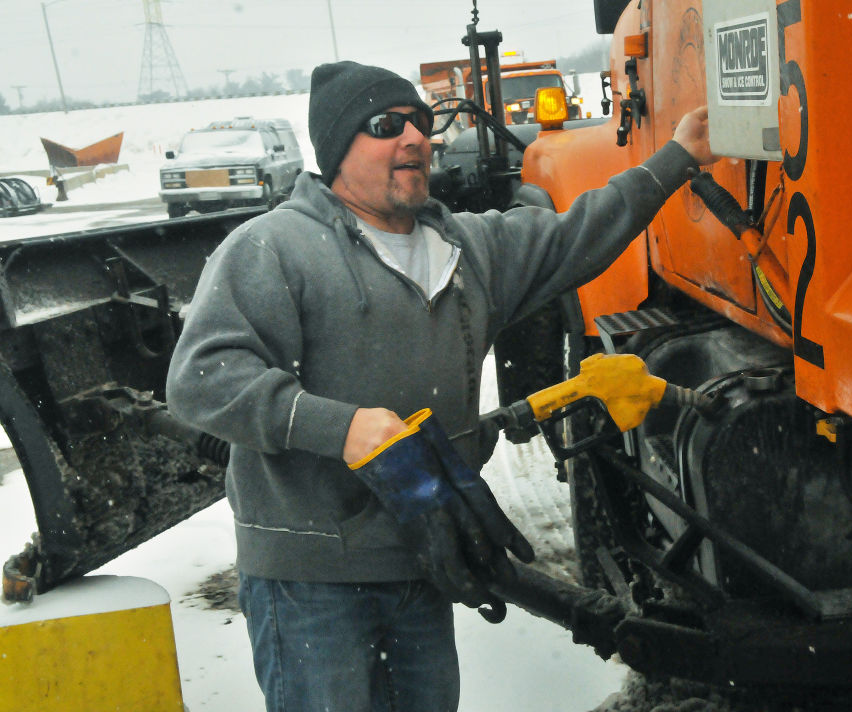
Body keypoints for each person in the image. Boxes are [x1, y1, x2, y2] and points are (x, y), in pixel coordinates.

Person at [166, 59, 718, 712]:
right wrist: (340, 428)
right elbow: (202, 379)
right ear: (338, 146)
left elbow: (579, 235)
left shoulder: (465, 249)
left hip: (426, 561)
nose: (414, 137)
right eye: (385, 124)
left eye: (421, 122)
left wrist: (678, 156)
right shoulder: (274, 249)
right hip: (314, 585)